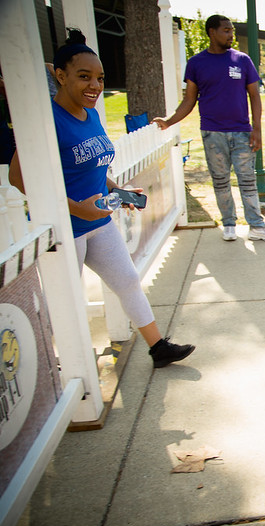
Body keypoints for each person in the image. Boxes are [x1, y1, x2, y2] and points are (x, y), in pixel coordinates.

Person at [9, 29, 194, 369]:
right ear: (60, 76)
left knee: (127, 281)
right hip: (66, 229)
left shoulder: (91, 113)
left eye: (99, 78)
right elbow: (19, 179)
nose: (94, 85)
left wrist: (117, 192)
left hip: (99, 223)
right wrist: (75, 207)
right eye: (84, 77)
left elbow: (95, 169)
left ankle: (159, 349)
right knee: (61, 300)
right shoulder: (46, 120)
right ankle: (51, 368)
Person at [152, 14, 265, 243]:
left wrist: (257, 130)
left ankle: (257, 226)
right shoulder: (196, 63)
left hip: (242, 132)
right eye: (226, 30)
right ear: (212, 32)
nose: (231, 34)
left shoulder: (242, 60)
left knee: (247, 181)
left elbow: (255, 96)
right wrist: (169, 121)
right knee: (220, 181)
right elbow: (189, 101)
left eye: (231, 30)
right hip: (212, 134)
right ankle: (229, 225)